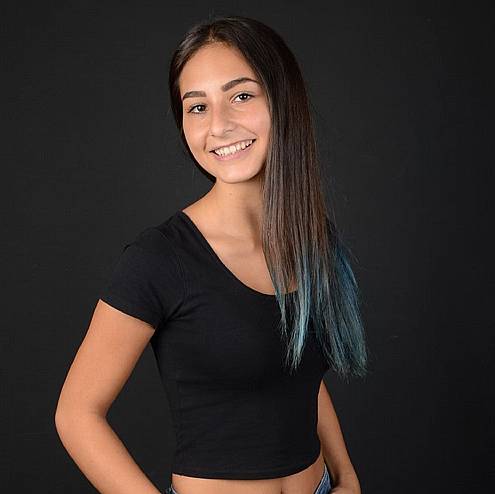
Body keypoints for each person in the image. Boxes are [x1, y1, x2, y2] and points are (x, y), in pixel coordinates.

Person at [55, 15, 367, 494]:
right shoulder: (160, 258)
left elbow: (295, 375)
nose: (219, 125)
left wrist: (346, 476)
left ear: (283, 99)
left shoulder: (312, 237)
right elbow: (76, 414)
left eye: (241, 96)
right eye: (197, 107)